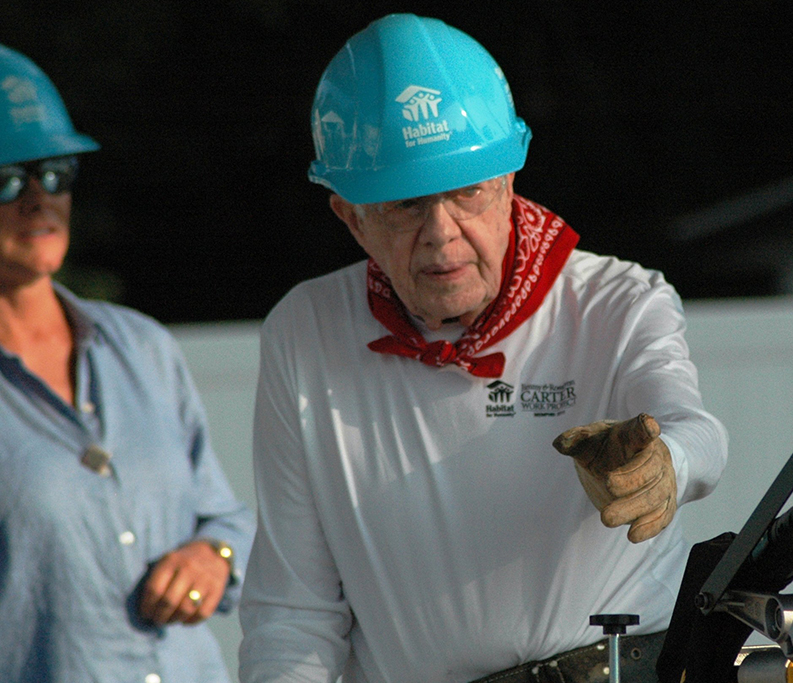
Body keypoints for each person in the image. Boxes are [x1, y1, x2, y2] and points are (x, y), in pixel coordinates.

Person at [238, 14, 727, 683]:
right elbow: (292, 612)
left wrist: (664, 464)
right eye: (406, 204)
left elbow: (699, 435)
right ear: (349, 215)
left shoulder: (617, 301)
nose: (443, 234)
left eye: (468, 191)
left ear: (508, 182)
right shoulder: (305, 331)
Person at [0, 44, 254, 682]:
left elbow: (226, 517)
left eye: (55, 173)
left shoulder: (142, 347)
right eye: (8, 178)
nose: (40, 198)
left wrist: (214, 555)